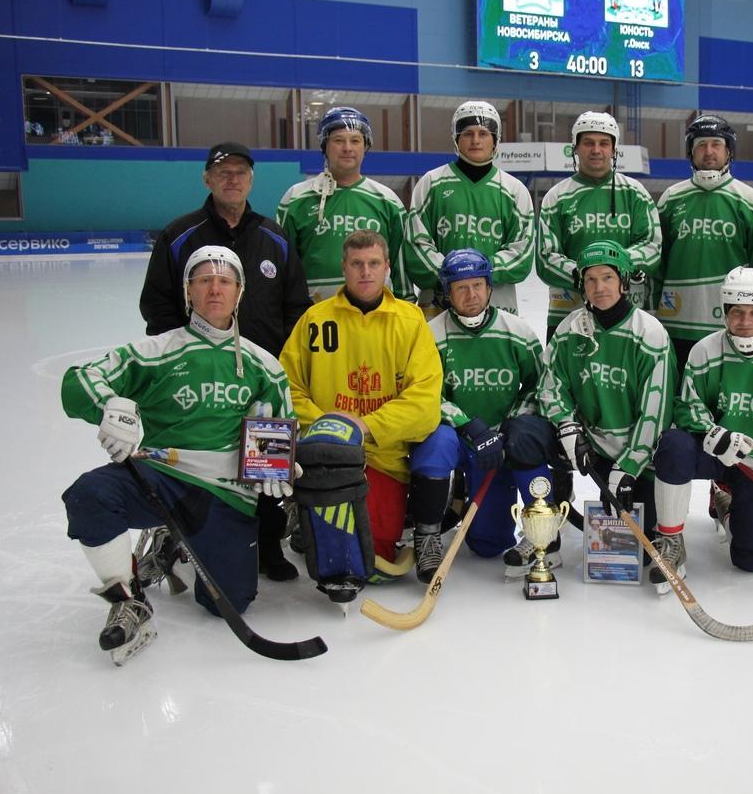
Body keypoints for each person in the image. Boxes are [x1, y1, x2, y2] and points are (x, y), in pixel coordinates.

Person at [62, 246, 295, 665]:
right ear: (188, 290)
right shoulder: (156, 351)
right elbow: (80, 378)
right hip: (159, 478)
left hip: (226, 494)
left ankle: (174, 544)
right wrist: (108, 405)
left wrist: (276, 465)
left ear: (239, 292)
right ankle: (127, 597)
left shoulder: (264, 366)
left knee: (228, 602)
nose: (214, 289)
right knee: (89, 495)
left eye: (225, 281)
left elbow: (276, 429)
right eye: (203, 279)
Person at [139, 141, 312, 583]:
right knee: (202, 457)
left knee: (267, 462)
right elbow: (157, 306)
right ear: (207, 179)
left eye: (240, 172)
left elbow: (296, 306)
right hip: (199, 379)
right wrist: (182, 359)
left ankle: (268, 544)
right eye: (223, 172)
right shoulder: (181, 235)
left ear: (251, 180)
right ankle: (185, 535)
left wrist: (279, 364)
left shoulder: (274, 236)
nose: (232, 179)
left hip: (261, 376)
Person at [279, 230, 454, 597]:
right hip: (325, 456)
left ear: (387, 268)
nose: (365, 272)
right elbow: (286, 389)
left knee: (373, 554)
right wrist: (332, 430)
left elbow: (424, 405)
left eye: (374, 263)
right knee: (338, 555)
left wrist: (365, 427)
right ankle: (302, 510)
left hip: (384, 456)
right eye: (356, 264)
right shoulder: (315, 319)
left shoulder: (409, 321)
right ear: (343, 267)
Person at [651, 267, 753, 588]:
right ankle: (671, 541)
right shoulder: (705, 350)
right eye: (737, 312)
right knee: (673, 445)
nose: (745, 321)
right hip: (716, 453)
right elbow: (685, 406)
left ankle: (726, 503)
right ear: (725, 312)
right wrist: (714, 433)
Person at [535, 239, 675, 573]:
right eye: (591, 280)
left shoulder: (650, 334)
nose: (599, 287)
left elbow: (655, 412)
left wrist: (628, 467)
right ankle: (550, 515)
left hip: (637, 451)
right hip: (588, 442)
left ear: (624, 281)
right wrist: (567, 428)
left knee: (635, 554)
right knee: (532, 434)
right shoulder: (571, 328)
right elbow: (549, 385)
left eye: (608, 277)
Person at [422, 248, 560, 579]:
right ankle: (426, 529)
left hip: (501, 442)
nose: (471, 295)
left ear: (489, 287)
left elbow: (536, 387)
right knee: (486, 544)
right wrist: (469, 425)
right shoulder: (431, 335)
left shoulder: (518, 332)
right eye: (461, 288)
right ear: (447, 292)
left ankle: (544, 534)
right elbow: (426, 392)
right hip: (463, 439)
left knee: (527, 439)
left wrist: (507, 427)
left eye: (477, 286)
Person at [656, 114, 753, 371]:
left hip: (731, 326)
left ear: (729, 150)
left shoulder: (750, 201)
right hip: (675, 324)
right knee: (677, 400)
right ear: (691, 152)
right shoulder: (671, 198)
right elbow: (657, 263)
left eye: (716, 145)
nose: (709, 152)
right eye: (701, 145)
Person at [536, 111, 661, 340]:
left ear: (614, 150)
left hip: (625, 315)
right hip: (568, 315)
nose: (596, 150)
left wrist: (619, 263)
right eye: (588, 143)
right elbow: (546, 258)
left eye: (604, 143)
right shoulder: (557, 197)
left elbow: (652, 246)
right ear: (575, 147)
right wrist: (586, 274)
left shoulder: (635, 193)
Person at [405, 100, 534, 315]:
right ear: (456, 138)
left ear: (495, 139)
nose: (475, 140)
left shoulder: (514, 190)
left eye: (483, 133)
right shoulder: (431, 183)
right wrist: (453, 272)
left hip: (497, 310)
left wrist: (478, 271)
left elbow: (521, 255)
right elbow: (416, 247)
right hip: (438, 309)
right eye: (467, 133)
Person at [277, 107, 413, 303]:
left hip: (375, 318)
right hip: (313, 317)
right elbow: (283, 264)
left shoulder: (387, 201)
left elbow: (402, 266)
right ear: (325, 146)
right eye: (338, 140)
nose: (347, 148)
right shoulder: (296, 198)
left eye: (355, 140)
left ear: (365, 146)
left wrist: (406, 308)